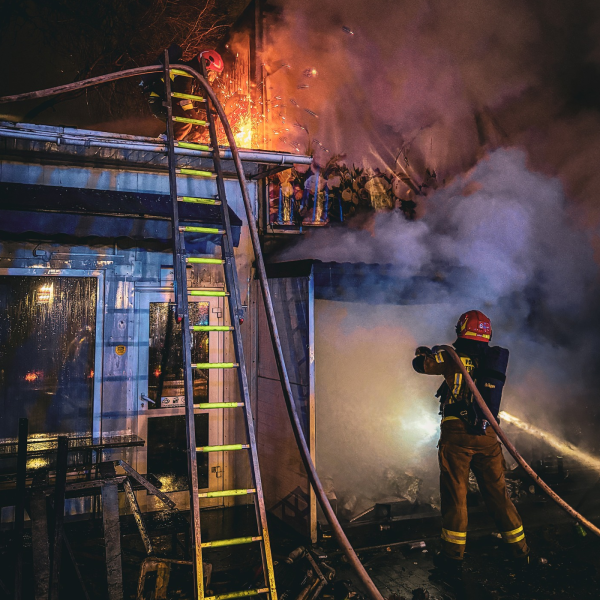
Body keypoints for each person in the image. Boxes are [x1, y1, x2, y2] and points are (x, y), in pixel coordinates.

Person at [412, 310, 530, 577]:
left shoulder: (450, 356)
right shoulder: (493, 360)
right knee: (499, 496)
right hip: (487, 435)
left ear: (461, 329)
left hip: (457, 435)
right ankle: (521, 553)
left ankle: (452, 558)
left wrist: (423, 354)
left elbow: (421, 366)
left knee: (456, 497)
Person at [141, 45, 224, 141]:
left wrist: (212, 111)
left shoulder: (193, 76)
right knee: (185, 122)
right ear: (205, 65)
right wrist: (197, 120)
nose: (212, 77)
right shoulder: (185, 73)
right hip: (159, 101)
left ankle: (182, 142)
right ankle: (165, 142)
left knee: (190, 122)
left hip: (167, 100)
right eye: (212, 72)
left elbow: (194, 100)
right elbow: (184, 101)